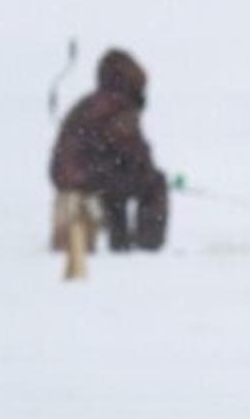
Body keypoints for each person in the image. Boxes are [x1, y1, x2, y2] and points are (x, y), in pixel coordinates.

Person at [49, 48, 169, 274]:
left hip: (68, 178)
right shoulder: (119, 106)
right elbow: (134, 152)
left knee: (116, 183)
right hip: (91, 178)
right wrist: (148, 172)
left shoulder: (86, 103)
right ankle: (147, 247)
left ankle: (120, 245)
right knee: (153, 183)